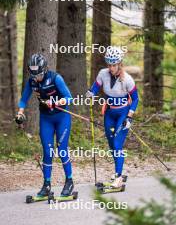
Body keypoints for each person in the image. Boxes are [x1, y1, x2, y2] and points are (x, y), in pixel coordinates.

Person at [16, 53, 74, 197]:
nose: (37, 78)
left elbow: (69, 98)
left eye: (39, 74)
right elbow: (24, 99)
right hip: (46, 119)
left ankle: (69, 181)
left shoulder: (56, 78)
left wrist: (55, 103)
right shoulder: (32, 81)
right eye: (34, 75)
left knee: (61, 150)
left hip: (62, 118)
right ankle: (47, 185)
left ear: (45, 69)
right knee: (47, 152)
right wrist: (20, 112)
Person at [86, 46, 139, 188]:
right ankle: (118, 172)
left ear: (119, 63)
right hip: (109, 113)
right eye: (109, 64)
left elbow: (135, 99)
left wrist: (130, 117)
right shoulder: (103, 73)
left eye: (114, 64)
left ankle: (118, 177)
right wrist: (91, 93)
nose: (111, 67)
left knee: (117, 144)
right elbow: (96, 87)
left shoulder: (127, 79)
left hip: (123, 114)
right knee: (111, 145)